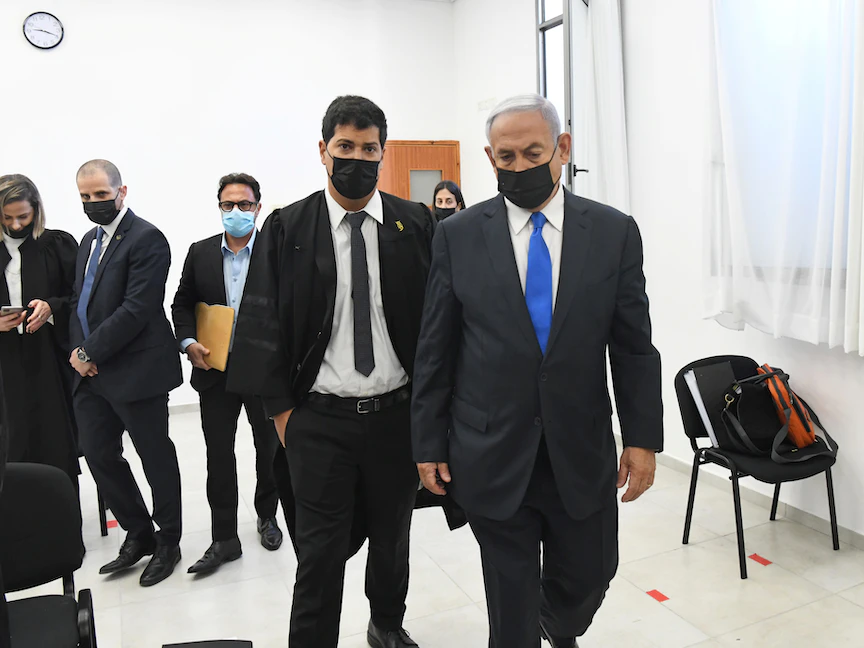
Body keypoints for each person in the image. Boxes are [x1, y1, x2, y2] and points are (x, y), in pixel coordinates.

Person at [412, 94, 663, 648]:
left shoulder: (613, 232)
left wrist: (642, 438)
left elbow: (633, 348)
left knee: (591, 575)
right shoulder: (457, 234)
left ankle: (556, 621)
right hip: (491, 449)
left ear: (562, 148)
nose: (519, 166)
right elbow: (436, 347)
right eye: (506, 157)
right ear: (490, 157)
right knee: (511, 603)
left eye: (533, 153)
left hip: (579, 446)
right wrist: (428, 440)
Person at [228, 95, 435, 648]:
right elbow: (262, 324)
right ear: (323, 150)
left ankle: (386, 624)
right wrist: (283, 416)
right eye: (345, 147)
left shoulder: (414, 223)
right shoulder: (287, 227)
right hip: (318, 420)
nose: (357, 159)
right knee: (320, 552)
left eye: (369, 149)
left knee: (393, 537)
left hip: (396, 417)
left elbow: (438, 325)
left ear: (383, 153)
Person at [70, 159, 184, 587]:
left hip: (138, 371)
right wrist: (79, 353)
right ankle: (139, 533)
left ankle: (168, 541)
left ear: (121, 191)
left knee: (155, 457)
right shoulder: (88, 240)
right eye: (85, 196)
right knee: (97, 453)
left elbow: (137, 309)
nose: (93, 202)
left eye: (101, 194)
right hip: (91, 374)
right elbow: (79, 302)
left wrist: (89, 350)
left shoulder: (147, 238)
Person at [171, 172, 284, 575]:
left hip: (264, 370)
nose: (236, 211)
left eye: (244, 204)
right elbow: (181, 303)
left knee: (268, 449)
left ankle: (267, 516)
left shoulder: (276, 251)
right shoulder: (200, 252)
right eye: (228, 204)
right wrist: (188, 342)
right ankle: (224, 538)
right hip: (214, 368)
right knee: (218, 454)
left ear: (258, 207)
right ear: (219, 207)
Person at [0, 175, 80, 485]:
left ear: (36, 210)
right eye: (7, 217)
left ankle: (60, 505)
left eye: (23, 216)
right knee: (12, 438)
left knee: (53, 435)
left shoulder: (57, 245)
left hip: (49, 356)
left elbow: (80, 297)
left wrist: (51, 307)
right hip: (5, 360)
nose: (16, 224)